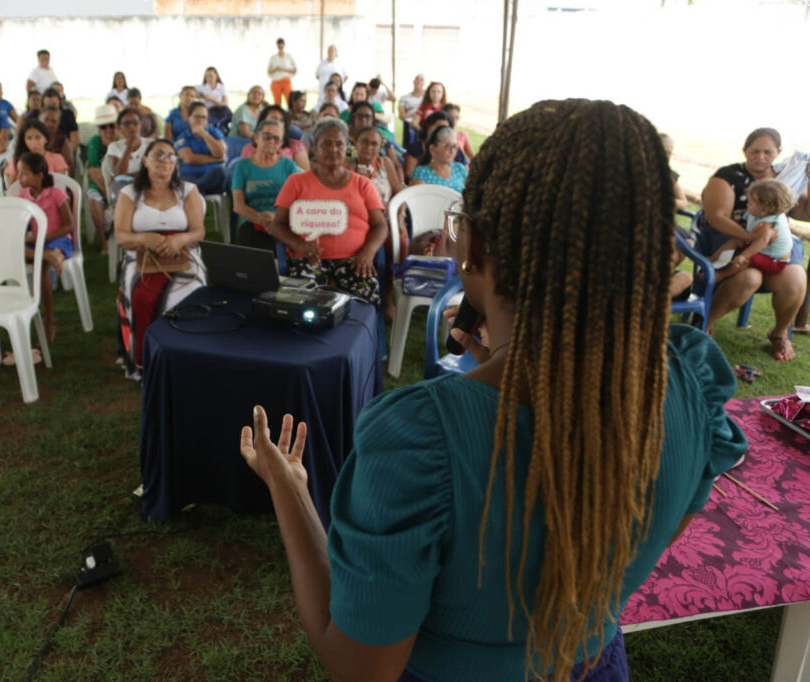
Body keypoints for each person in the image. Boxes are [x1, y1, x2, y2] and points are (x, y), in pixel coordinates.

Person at [239, 98, 748, 682]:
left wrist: (290, 489)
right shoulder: (689, 379)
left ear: (473, 246)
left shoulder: (419, 441)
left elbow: (361, 668)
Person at [697, 127, 809, 360]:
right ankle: (704, 326)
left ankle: (779, 335)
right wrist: (752, 238)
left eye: (768, 152)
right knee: (749, 277)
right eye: (755, 150)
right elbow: (717, 216)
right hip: (733, 238)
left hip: (773, 248)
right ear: (745, 150)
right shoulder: (728, 176)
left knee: (796, 280)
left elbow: (804, 212)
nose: (761, 156)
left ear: (778, 152)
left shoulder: (785, 179)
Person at [268, 118, 388, 304]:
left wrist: (369, 251)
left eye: (339, 144)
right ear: (314, 148)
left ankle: (357, 333)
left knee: (366, 301)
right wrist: (300, 246)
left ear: (347, 148)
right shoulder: (296, 182)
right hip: (307, 258)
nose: (333, 149)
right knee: (299, 304)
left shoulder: (363, 184)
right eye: (326, 144)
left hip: (354, 260)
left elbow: (380, 225)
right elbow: (277, 225)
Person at [114, 139, 206, 379]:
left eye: (170, 156)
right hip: (140, 257)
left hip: (183, 255)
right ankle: (147, 362)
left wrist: (180, 240)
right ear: (145, 161)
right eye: (158, 155)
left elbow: (199, 231)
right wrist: (143, 239)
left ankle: (187, 357)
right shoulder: (129, 193)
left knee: (194, 290)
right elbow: (121, 236)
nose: (165, 161)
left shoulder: (187, 190)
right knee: (141, 294)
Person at [15, 153, 74, 343]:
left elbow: (69, 226)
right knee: (14, 248)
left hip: (58, 238)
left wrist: (45, 238)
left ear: (39, 175)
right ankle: (49, 256)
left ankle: (50, 320)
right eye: (18, 173)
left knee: (41, 271)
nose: (19, 178)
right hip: (37, 243)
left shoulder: (56, 193)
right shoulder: (23, 195)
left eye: (23, 174)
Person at [232, 118, 301, 252]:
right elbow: (238, 206)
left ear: (281, 144)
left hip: (284, 222)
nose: (271, 141)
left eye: (276, 139)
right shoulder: (242, 166)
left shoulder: (288, 166)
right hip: (252, 222)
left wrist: (276, 219)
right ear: (256, 138)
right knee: (255, 240)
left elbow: (297, 203)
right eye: (267, 136)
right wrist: (260, 218)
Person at [711, 179, 795, 282]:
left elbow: (762, 241)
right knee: (735, 241)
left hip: (774, 260)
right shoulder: (762, 213)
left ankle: (722, 275)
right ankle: (714, 260)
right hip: (763, 248)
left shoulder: (767, 225)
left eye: (750, 203)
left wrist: (743, 255)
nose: (747, 205)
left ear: (763, 210)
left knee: (747, 259)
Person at [174, 101, 227, 195]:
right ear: (189, 118)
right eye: (197, 116)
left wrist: (204, 134)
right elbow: (189, 159)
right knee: (187, 181)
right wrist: (215, 159)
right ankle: (197, 191)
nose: (200, 120)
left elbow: (219, 153)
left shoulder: (215, 132)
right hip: (190, 175)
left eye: (204, 117)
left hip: (213, 178)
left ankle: (194, 190)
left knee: (220, 171)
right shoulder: (183, 136)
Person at [86, 105, 119, 254]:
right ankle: (104, 241)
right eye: (103, 126)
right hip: (101, 184)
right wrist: (108, 193)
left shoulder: (124, 140)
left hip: (122, 183)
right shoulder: (95, 142)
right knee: (93, 199)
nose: (108, 129)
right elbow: (94, 170)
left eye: (111, 125)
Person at [346, 102, 404, 183]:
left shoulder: (381, 139)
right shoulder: (344, 140)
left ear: (373, 120)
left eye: (367, 116)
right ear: (353, 118)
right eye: (360, 116)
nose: (363, 119)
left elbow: (397, 165)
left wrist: (400, 183)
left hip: (384, 178)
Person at [240, 106, 311, 171]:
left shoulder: (295, 146)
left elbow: (305, 176)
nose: (278, 122)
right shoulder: (249, 148)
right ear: (262, 122)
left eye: (281, 120)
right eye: (273, 119)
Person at [3, 120, 69, 187]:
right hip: (22, 197)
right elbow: (10, 188)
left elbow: (60, 185)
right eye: (29, 138)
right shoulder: (16, 160)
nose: (33, 142)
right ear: (24, 140)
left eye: (38, 137)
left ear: (46, 139)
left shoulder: (57, 158)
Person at [106, 107, 154, 200]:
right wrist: (129, 147)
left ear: (140, 124)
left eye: (135, 123)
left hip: (146, 183)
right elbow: (119, 173)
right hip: (123, 186)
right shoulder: (115, 146)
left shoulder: (150, 144)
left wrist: (128, 175)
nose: (132, 126)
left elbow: (153, 171)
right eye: (126, 124)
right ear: (120, 127)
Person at [348, 125, 402, 207]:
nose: (369, 147)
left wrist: (400, 214)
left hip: (386, 216)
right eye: (365, 142)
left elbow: (400, 194)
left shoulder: (386, 163)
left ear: (380, 147)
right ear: (356, 143)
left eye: (374, 144)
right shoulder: (346, 164)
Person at [409, 126, 468, 191]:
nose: (452, 151)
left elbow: (472, 193)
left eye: (454, 146)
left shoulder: (459, 169)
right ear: (432, 149)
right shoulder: (422, 173)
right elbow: (415, 199)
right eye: (448, 146)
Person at [41, 88, 80, 152]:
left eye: (54, 104)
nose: (52, 108)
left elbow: (75, 140)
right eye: (48, 105)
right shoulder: (39, 118)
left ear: (59, 103)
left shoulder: (68, 115)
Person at [38, 106, 74, 174]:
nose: (49, 124)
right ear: (39, 119)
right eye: (46, 119)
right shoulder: (30, 137)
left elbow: (69, 166)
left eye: (53, 121)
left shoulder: (62, 140)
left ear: (58, 123)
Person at [660, 133, 688, 211]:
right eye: (662, 151)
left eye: (669, 153)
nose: (666, 156)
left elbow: (683, 202)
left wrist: (662, 202)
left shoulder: (669, 175)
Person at [267, 38, 297, 107]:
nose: (280, 46)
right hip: (276, 81)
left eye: (282, 44)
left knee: (289, 101)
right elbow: (269, 71)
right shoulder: (273, 57)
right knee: (277, 103)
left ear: (284, 45)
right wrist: (276, 69)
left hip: (286, 80)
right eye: (279, 44)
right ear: (277, 45)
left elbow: (295, 70)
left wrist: (284, 69)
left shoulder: (288, 56)